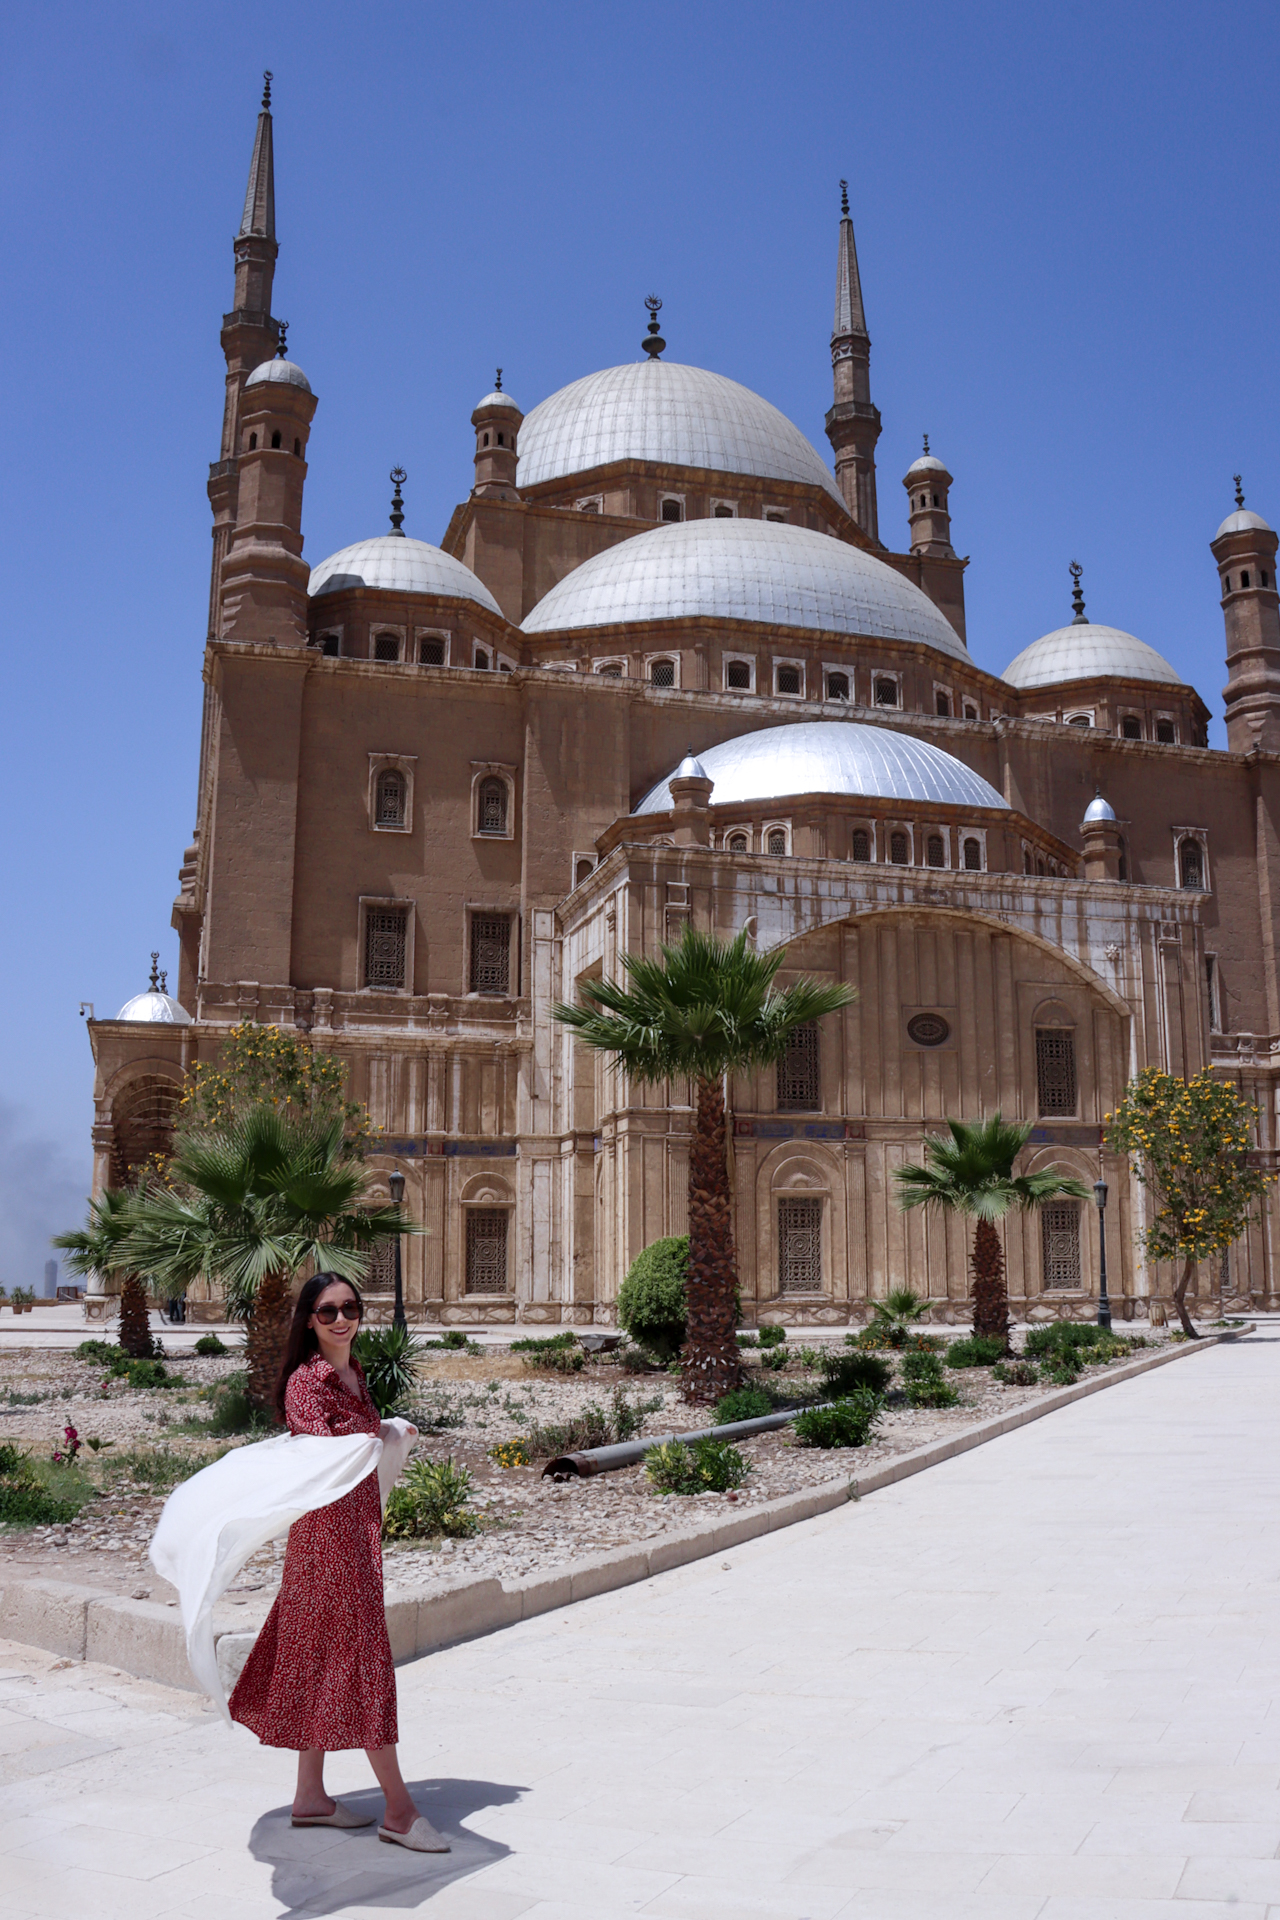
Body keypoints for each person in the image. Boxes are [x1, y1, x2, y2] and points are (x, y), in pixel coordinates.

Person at [228, 1272, 448, 1853]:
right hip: (329, 1546)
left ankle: (310, 1797)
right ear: (309, 1320)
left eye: (351, 1307)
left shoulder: (354, 1375)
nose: (342, 1319)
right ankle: (399, 1810)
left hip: (354, 1536)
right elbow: (323, 1455)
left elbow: (358, 1444)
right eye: (328, 1312)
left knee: (321, 1655)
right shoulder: (308, 1383)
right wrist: (382, 1435)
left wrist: (385, 1430)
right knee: (362, 1661)